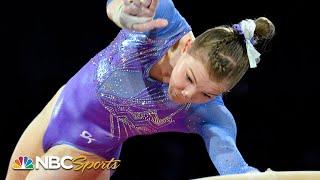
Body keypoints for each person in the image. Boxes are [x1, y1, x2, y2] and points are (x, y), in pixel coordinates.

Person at [6, 0, 275, 179]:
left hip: (88, 155)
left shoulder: (209, 114)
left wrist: (251, 175)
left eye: (208, 93)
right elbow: (117, 5)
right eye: (189, 78)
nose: (188, 95)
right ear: (186, 46)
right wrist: (122, 14)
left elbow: (234, 167)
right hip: (55, 110)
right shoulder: (163, 21)